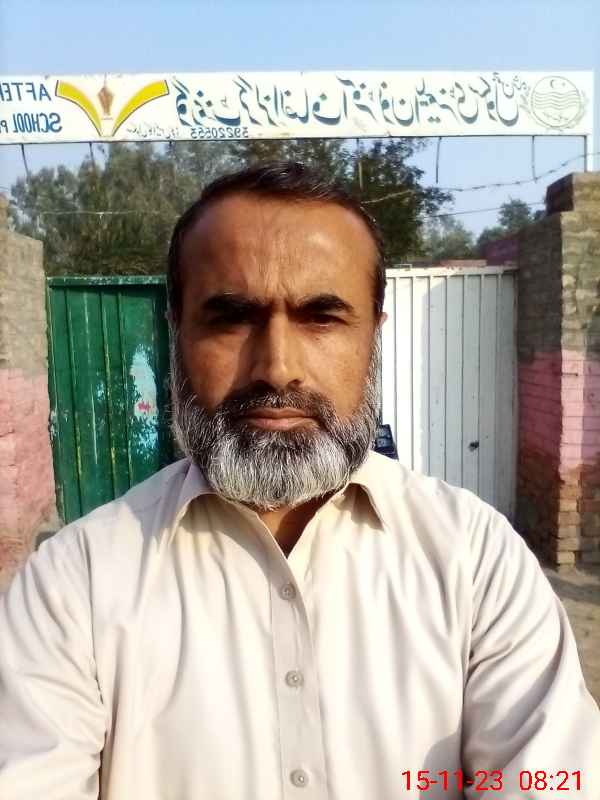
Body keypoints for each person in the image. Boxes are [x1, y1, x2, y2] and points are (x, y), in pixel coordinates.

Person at [0, 161, 599, 800]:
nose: (277, 367)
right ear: (178, 333)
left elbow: (547, 780)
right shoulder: (75, 585)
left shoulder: (475, 559)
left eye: (321, 318)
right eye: (232, 318)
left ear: (372, 338)